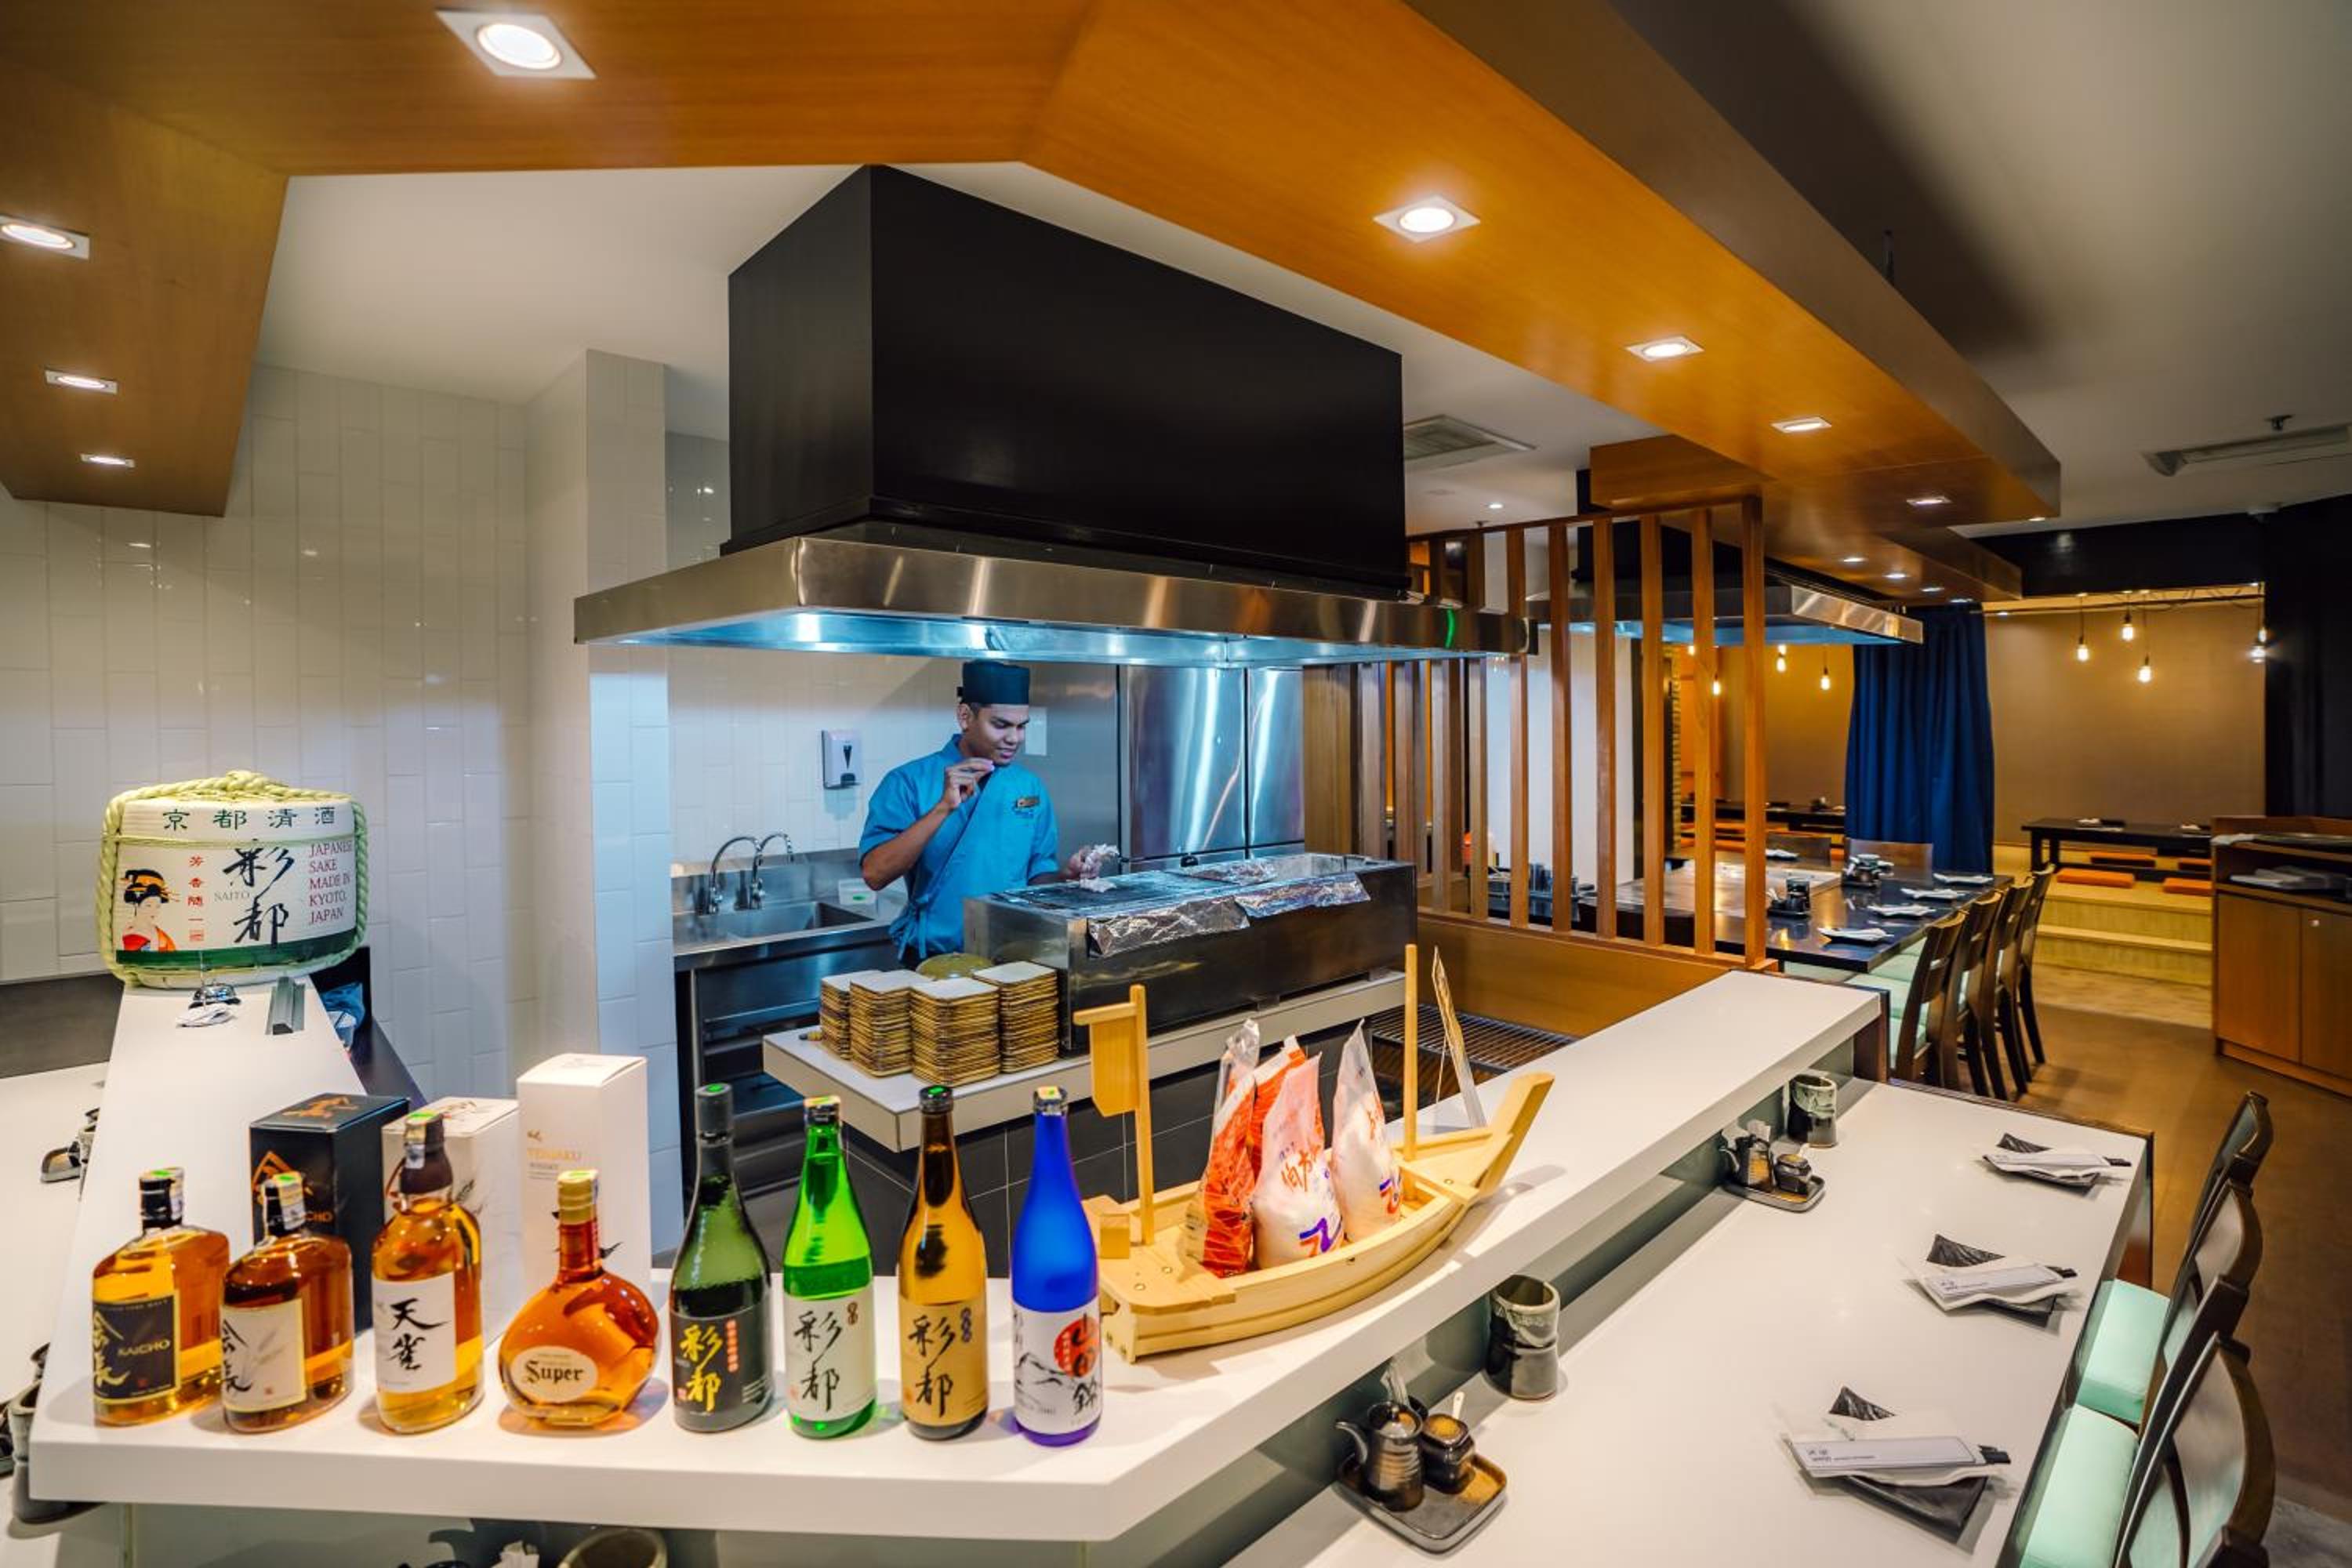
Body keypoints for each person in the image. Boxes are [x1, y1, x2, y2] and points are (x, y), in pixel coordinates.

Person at [858, 662, 1101, 964]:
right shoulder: (908, 782)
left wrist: (1065, 876)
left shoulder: (1029, 787)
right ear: (965, 717)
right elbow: (875, 874)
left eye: (1021, 726)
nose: (1015, 738)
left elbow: (1036, 878)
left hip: (1015, 957)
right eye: (1001, 725)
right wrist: (943, 808)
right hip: (936, 960)